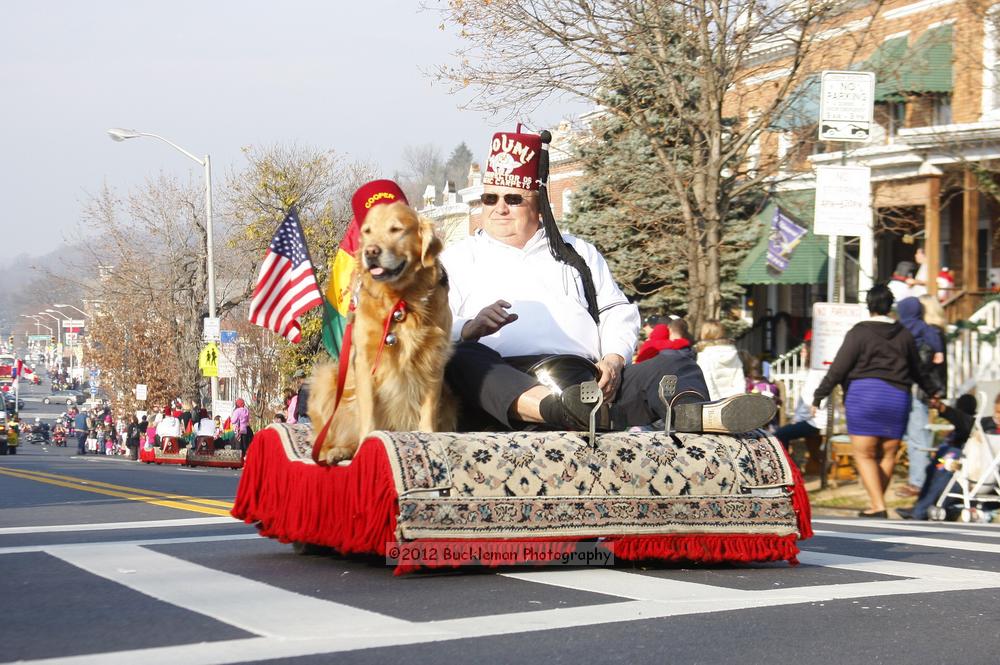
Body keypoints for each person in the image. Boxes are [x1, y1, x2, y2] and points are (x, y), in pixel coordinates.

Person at [440, 128, 774, 433]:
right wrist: (469, 328)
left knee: (675, 362)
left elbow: (617, 311)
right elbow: (428, 331)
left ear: (539, 205)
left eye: (513, 199)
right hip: (507, 390)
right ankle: (557, 410)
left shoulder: (577, 251)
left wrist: (614, 358)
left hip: (589, 387)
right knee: (463, 357)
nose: (499, 208)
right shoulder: (456, 259)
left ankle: (694, 413)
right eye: (489, 199)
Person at [812, 284, 942, 517]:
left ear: (869, 305)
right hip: (897, 397)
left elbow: (839, 368)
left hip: (864, 395)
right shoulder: (904, 334)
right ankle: (876, 504)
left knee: (864, 455)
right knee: (888, 455)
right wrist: (933, 392)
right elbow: (918, 370)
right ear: (890, 305)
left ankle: (878, 506)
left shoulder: (859, 332)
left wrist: (819, 395)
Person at [897, 394, 979, 520]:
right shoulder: (971, 426)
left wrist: (943, 408)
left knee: (945, 463)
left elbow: (964, 421)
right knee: (936, 466)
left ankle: (920, 510)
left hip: (969, 475)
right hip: (959, 472)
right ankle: (922, 506)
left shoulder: (979, 425)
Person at [896, 296, 946, 498]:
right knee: (914, 433)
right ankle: (922, 477)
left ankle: (920, 482)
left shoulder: (922, 330)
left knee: (917, 433)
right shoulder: (930, 331)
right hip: (919, 387)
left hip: (916, 387)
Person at [695, 320, 746, 401]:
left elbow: (707, 383)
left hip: (714, 403)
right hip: (734, 402)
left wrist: (715, 403)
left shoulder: (705, 355)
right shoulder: (732, 353)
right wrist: (738, 400)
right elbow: (740, 380)